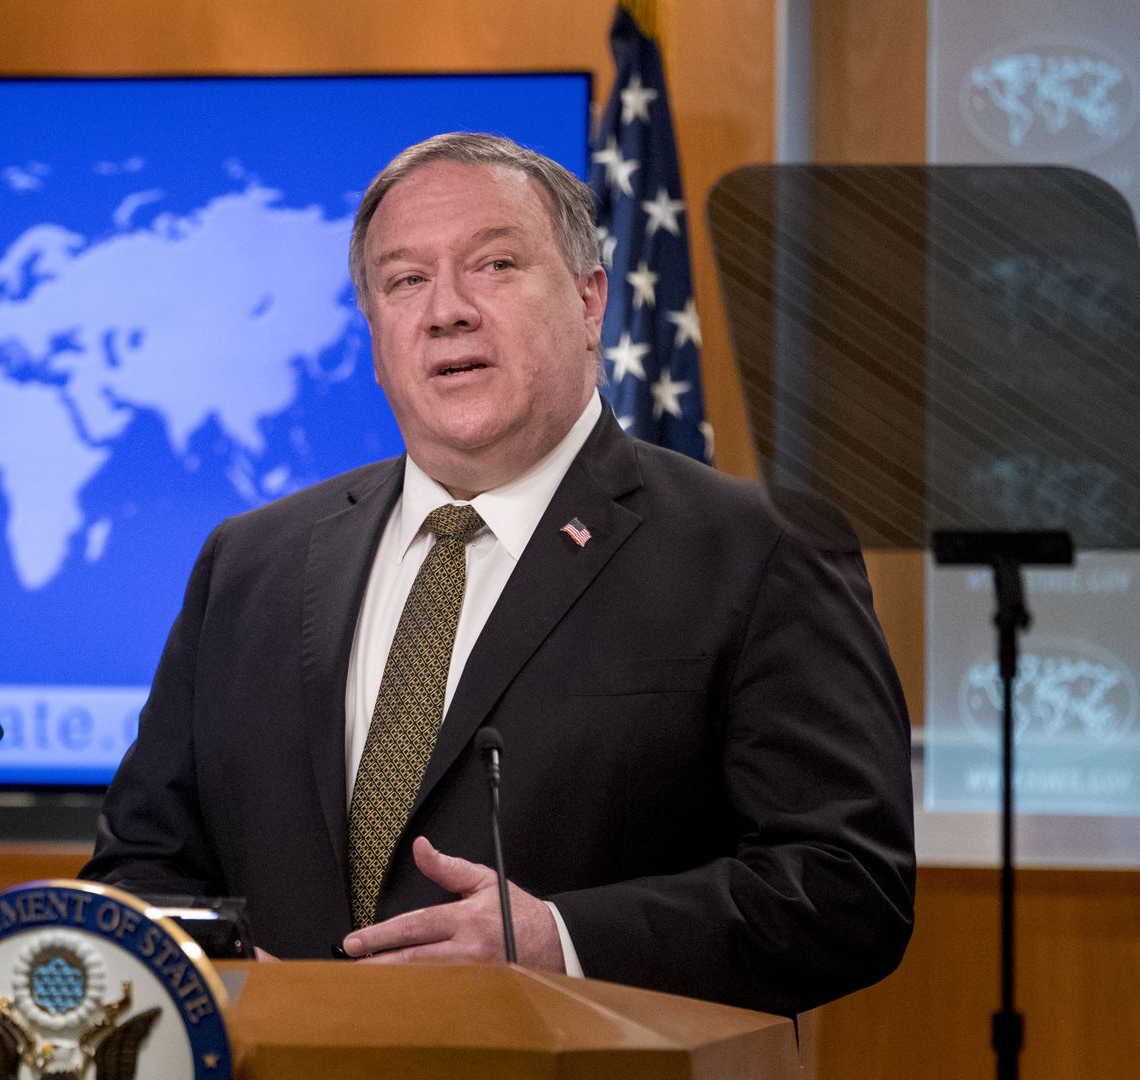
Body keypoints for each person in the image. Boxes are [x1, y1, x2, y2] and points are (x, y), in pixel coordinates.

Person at [81, 132, 915, 1016]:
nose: (447, 310)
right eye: (406, 280)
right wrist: (215, 964)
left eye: (494, 265)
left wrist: (563, 940)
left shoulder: (755, 550)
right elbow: (141, 867)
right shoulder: (249, 563)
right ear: (376, 334)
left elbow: (847, 886)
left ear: (589, 301)